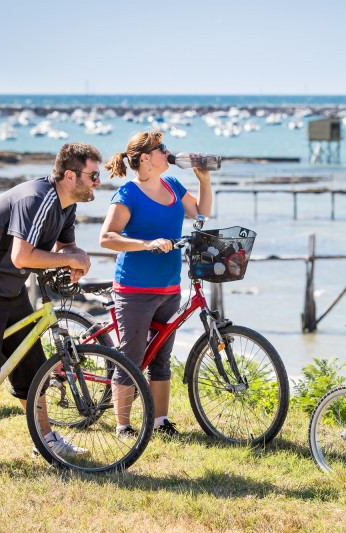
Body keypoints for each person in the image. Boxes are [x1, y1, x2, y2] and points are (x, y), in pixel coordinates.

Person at [0, 142, 102, 478]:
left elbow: (65, 244)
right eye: (93, 175)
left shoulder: (66, 203)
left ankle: (45, 439)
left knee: (32, 366)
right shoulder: (37, 199)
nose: (98, 182)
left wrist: (76, 256)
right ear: (71, 176)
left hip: (8, 286)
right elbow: (22, 256)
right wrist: (67, 259)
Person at [99, 130, 212, 437]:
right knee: (131, 358)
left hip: (169, 287)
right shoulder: (128, 194)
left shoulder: (173, 185)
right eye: (162, 148)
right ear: (146, 157)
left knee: (161, 358)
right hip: (134, 289)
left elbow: (201, 213)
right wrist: (147, 243)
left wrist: (204, 180)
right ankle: (123, 426)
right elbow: (107, 238)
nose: (168, 152)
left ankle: (161, 422)